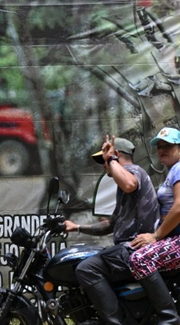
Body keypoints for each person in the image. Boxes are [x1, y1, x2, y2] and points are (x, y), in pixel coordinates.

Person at [63, 136, 159, 325]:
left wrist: (112, 161)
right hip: (127, 249)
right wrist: (77, 227)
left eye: (105, 160)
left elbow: (130, 184)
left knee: (85, 269)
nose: (104, 165)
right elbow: (110, 224)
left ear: (116, 156)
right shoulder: (124, 186)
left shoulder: (133, 171)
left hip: (132, 250)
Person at [129, 127, 180, 325]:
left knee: (139, 260)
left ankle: (169, 320)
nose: (161, 150)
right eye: (159, 147)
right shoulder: (174, 171)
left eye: (167, 146)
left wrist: (156, 236)